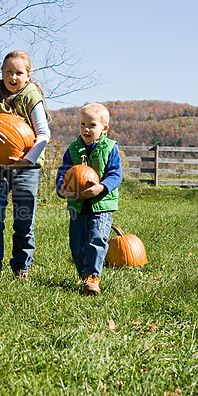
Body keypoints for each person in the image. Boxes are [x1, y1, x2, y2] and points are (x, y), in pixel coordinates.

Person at [0, 50, 51, 281]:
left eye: (18, 73)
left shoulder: (31, 97)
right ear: (2, 73)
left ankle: (21, 267)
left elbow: (44, 134)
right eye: (8, 72)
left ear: (28, 75)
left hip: (27, 165)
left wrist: (28, 159)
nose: (13, 77)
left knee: (24, 217)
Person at [56, 102, 122, 295]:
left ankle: (92, 277)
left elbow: (115, 174)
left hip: (100, 204)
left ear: (103, 129)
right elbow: (64, 173)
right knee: (77, 245)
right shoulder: (74, 149)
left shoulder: (110, 149)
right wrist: (62, 189)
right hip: (77, 205)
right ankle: (83, 275)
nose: (86, 129)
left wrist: (102, 187)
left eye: (92, 125)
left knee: (97, 238)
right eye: (82, 124)